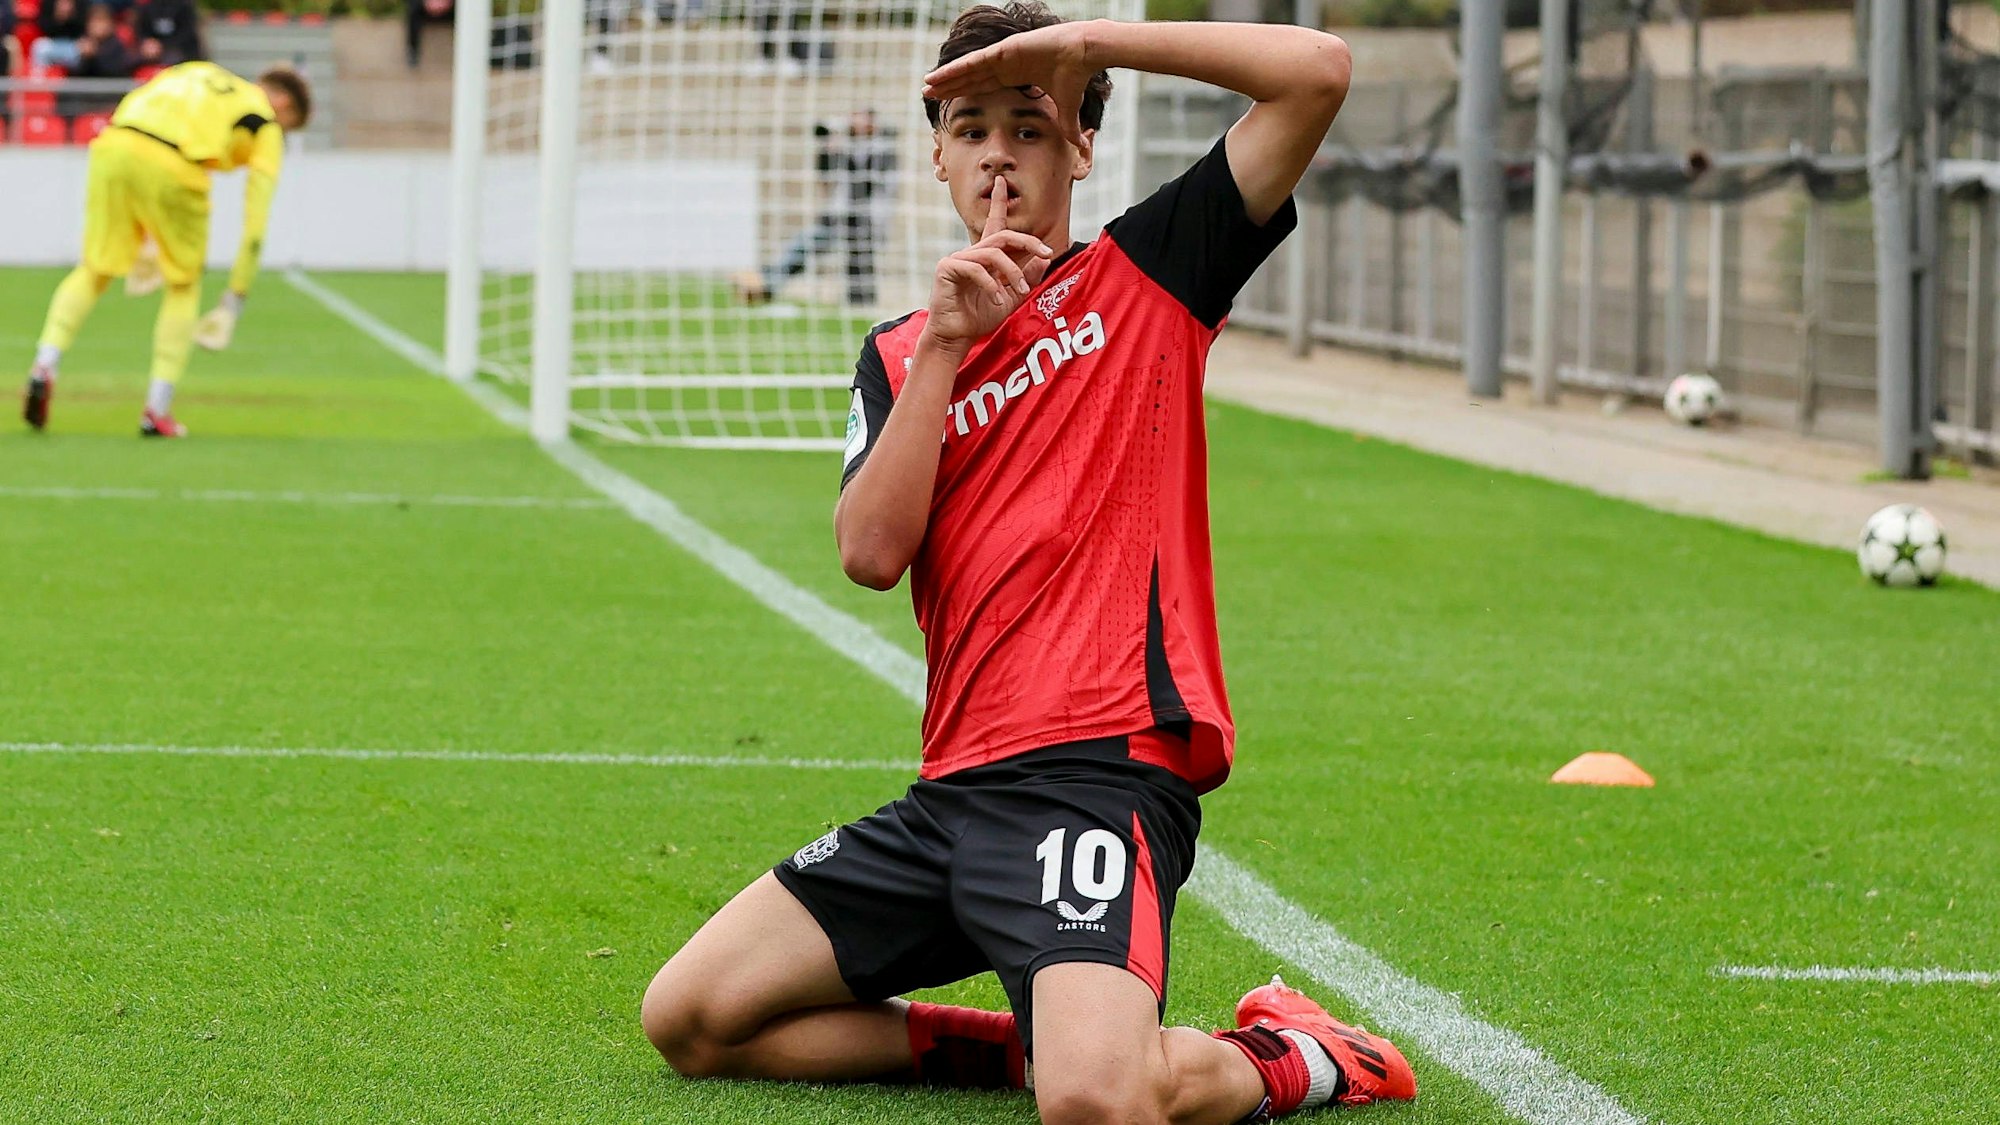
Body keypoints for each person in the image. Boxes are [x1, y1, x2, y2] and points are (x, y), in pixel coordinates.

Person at [643, 5, 1416, 1124]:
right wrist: (950, 346)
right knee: (694, 1020)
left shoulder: (1151, 270)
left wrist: (1087, 47)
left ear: (1081, 149)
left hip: (1096, 777)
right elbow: (868, 554)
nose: (998, 152)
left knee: (1095, 1107)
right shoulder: (906, 350)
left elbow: (1314, 72)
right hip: (951, 794)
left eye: (1031, 126)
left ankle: (1297, 1056)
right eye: (970, 128)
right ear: (939, 157)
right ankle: (1030, 1050)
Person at [21, 62, 311, 438]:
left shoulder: (197, 71)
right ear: (284, 103)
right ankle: (156, 409)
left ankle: (45, 363)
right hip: (177, 165)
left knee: (94, 269)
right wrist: (235, 297)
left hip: (114, 145)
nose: (282, 134)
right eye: (289, 127)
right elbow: (255, 221)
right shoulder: (265, 121)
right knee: (183, 285)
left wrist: (146, 239)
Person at [737, 108, 897, 307]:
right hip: (839, 213)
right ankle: (768, 282)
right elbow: (825, 178)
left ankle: (860, 302)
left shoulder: (881, 146)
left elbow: (877, 178)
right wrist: (829, 148)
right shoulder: (841, 146)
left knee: (860, 260)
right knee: (806, 244)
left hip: (867, 214)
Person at [71, 4, 136, 80]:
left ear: (111, 25)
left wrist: (93, 56)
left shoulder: (116, 46)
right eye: (94, 22)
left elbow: (114, 70)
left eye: (101, 21)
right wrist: (84, 58)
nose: (98, 26)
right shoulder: (82, 44)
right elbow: (75, 74)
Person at [131, 0, 200, 67]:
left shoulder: (185, 7)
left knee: (173, 59)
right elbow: (142, 30)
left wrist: (162, 45)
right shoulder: (148, 7)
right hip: (153, 48)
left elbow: (187, 32)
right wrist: (148, 42)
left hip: (179, 49)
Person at [28, 0, 87, 70]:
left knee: (86, 50)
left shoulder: (81, 3)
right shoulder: (48, 3)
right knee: (39, 47)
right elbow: (43, 27)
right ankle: (40, 79)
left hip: (74, 43)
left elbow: (84, 27)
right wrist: (59, 18)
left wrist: (71, 15)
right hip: (53, 42)